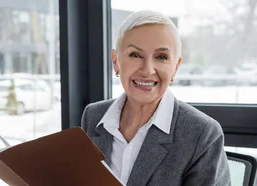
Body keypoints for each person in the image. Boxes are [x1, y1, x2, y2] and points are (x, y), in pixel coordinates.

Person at [81, 10, 231, 186]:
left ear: (175, 67)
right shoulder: (93, 116)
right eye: (135, 55)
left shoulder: (203, 133)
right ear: (116, 61)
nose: (147, 70)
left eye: (161, 57)